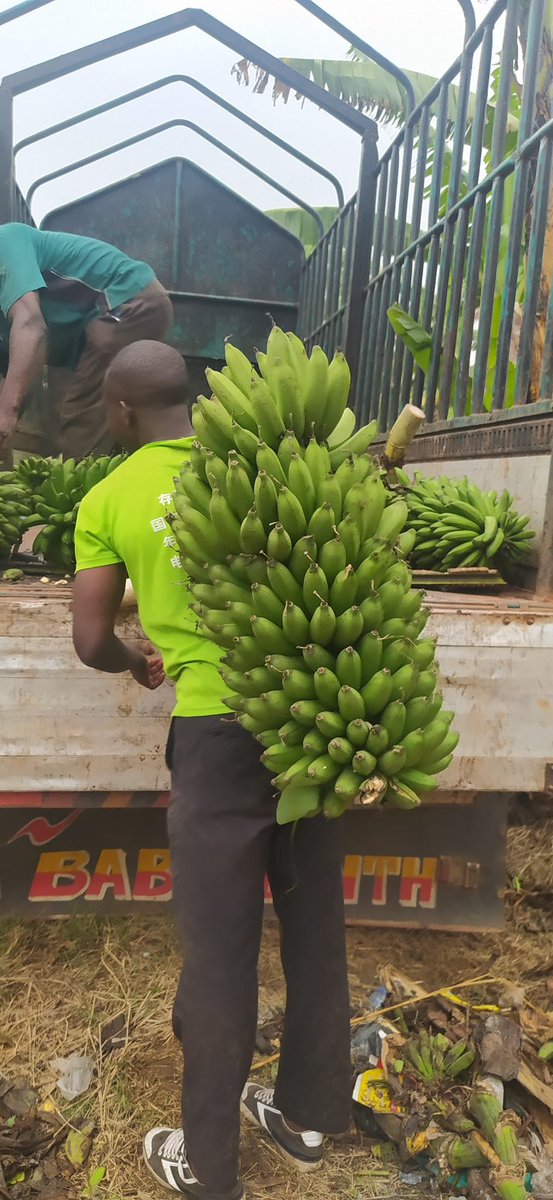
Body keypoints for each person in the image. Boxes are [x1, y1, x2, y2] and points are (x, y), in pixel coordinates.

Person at [72, 340, 351, 1200]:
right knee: (313, 930)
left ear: (121, 412)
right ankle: (309, 1119)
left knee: (221, 952)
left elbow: (89, 640)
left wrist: (134, 661)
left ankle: (208, 1166)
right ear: (191, 398)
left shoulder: (109, 496)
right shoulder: (268, 456)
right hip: (314, 716)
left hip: (218, 737)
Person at [0, 222, 173, 459]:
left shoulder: (7, 241)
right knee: (56, 425)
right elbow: (17, 379)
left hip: (128, 299)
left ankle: (78, 492)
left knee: (79, 421)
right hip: (79, 341)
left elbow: (31, 324)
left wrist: (7, 413)